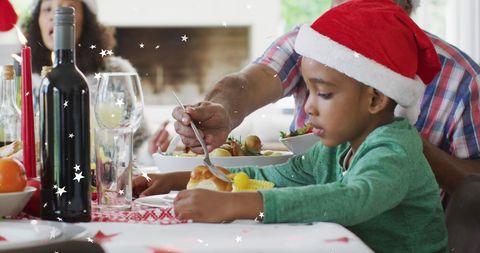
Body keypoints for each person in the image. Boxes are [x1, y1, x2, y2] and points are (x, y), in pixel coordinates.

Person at [134, 0, 448, 251]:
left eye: (323, 93)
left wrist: (237, 205)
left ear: (376, 99)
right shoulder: (334, 148)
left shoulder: (394, 150)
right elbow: (269, 178)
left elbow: (352, 198)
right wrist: (180, 178)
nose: (308, 106)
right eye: (308, 90)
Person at [171, 0, 480, 195]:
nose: (308, 106)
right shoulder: (315, 44)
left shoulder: (463, 80)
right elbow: (248, 84)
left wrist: (401, 143)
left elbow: (342, 200)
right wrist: (220, 114)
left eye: (326, 93)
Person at [24, 0, 170, 156]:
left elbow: (138, 141)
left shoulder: (115, 73)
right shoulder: (24, 81)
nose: (56, 15)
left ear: (86, 19)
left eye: (69, 9)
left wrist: (151, 151)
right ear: (37, 21)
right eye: (47, 9)